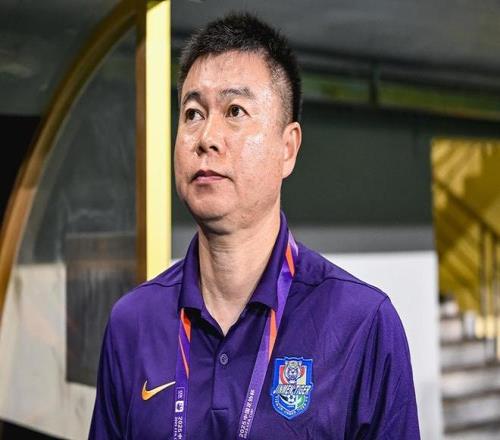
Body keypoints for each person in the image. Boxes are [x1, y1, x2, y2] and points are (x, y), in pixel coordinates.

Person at [89, 12, 420, 439]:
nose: (207, 137)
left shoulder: (362, 325)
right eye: (192, 113)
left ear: (288, 148)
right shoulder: (132, 323)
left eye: (235, 111)